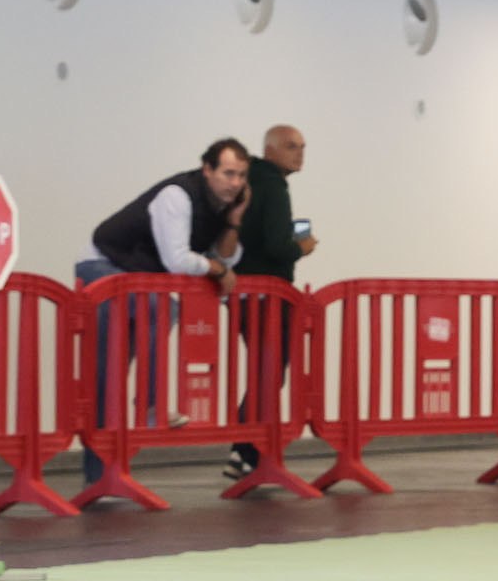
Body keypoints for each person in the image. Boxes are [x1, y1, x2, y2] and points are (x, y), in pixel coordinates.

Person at [76, 139, 251, 481]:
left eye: (242, 176)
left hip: (133, 275)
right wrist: (217, 270)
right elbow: (178, 260)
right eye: (229, 173)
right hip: (101, 265)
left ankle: (102, 478)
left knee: (111, 370)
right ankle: (150, 406)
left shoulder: (221, 208)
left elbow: (228, 257)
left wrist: (234, 222)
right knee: (152, 316)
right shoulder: (177, 196)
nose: (235, 183)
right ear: (207, 170)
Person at [226, 125, 319, 477]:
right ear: (270, 150)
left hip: (240, 292)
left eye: (303, 146)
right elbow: (278, 246)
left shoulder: (245, 181)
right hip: (269, 295)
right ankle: (247, 450)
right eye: (292, 146)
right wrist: (302, 247)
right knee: (270, 373)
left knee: (263, 371)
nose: (300, 153)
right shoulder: (274, 187)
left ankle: (247, 451)